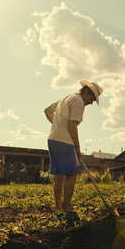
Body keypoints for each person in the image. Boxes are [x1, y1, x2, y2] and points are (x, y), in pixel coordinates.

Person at [44, 80, 103, 216]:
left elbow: (47, 111)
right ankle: (67, 207)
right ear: (86, 92)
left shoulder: (66, 98)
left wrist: (58, 126)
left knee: (60, 176)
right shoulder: (78, 102)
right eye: (92, 98)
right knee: (72, 174)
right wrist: (77, 147)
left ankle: (58, 208)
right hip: (64, 142)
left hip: (53, 140)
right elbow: (72, 126)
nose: (91, 102)